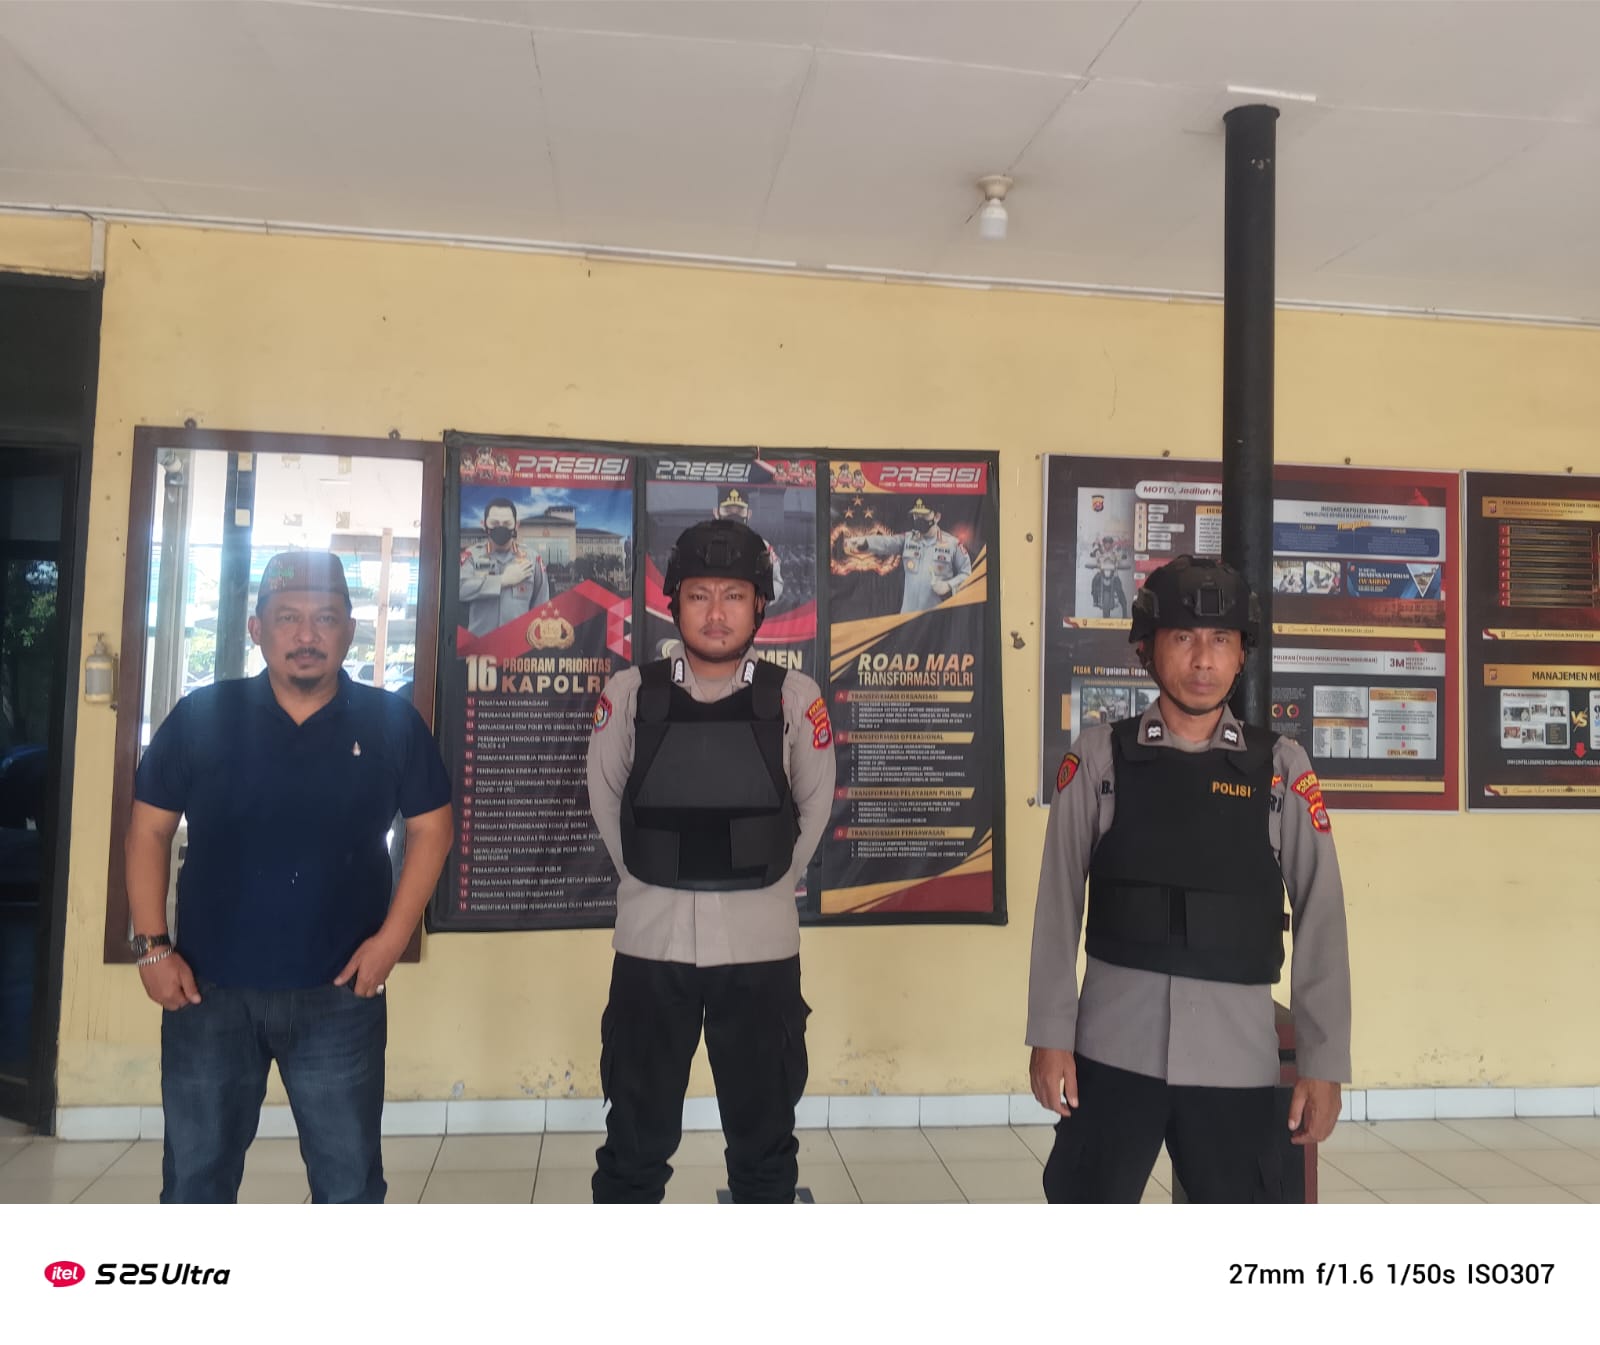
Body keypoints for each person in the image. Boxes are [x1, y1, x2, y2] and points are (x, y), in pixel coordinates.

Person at [125, 551, 453, 1203]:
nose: (307, 635)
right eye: (288, 618)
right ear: (257, 629)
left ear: (350, 630)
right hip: (207, 989)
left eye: (325, 618)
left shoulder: (391, 723)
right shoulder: (202, 716)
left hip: (341, 991)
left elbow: (431, 829)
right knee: (195, 1180)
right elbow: (148, 831)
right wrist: (152, 946)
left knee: (348, 1184)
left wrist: (391, 942)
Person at [1027, 554, 1351, 1203]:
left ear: (1241, 655)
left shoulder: (1281, 768)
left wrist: (1323, 1062)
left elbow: (1323, 916)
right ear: (1147, 649)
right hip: (1111, 1051)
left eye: (1221, 640)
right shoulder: (1098, 759)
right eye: (1183, 637)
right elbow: (1057, 904)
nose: (1203, 660)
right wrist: (1050, 1035)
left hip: (1236, 1060)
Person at [586, 519, 835, 1203]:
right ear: (674, 602)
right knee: (633, 1145)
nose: (716, 612)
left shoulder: (795, 698)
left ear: (760, 606)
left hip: (760, 950)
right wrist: (654, 876)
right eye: (699, 595)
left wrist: (765, 881)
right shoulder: (630, 695)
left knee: (764, 1147)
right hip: (650, 946)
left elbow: (812, 811)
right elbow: (608, 806)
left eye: (734, 595)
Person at [843, 498, 972, 613]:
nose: (919, 518)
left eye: (924, 515)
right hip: (908, 617)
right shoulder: (908, 539)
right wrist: (865, 542)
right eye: (916, 515)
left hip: (935, 618)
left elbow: (967, 574)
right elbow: (887, 542)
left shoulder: (953, 544)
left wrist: (949, 585)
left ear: (937, 517)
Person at [459, 498, 549, 637]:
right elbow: (459, 589)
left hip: (519, 644)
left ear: (516, 525)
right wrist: (502, 580)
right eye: (494, 523)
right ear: (484, 524)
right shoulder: (471, 557)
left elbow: (541, 606)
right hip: (480, 645)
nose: (501, 528)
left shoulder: (532, 559)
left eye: (507, 523)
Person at [716, 489, 784, 605]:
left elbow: (776, 582)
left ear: (749, 514)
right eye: (727, 510)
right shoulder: (701, 545)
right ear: (716, 513)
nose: (734, 515)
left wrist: (760, 597)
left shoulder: (762, 546)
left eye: (740, 510)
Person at [1091, 552, 1128, 619]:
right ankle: (1095, 599)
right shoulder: (1100, 551)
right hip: (1102, 572)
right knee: (1095, 580)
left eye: (1109, 545)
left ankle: (1124, 614)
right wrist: (1094, 556)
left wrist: (1122, 556)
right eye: (1106, 545)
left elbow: (1120, 557)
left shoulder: (1115, 552)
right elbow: (1096, 556)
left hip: (1113, 574)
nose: (1107, 546)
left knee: (1119, 589)